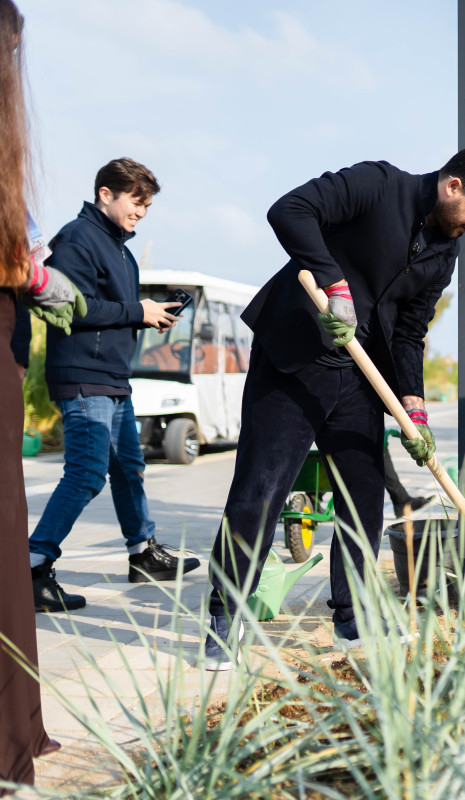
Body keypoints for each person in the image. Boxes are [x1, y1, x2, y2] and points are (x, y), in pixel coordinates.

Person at [203, 149, 465, 670]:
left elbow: (411, 330)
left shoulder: (445, 251)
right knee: (262, 490)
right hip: (294, 358)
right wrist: (333, 282)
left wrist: (412, 404)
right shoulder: (378, 185)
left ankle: (352, 616)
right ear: (453, 186)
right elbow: (289, 210)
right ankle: (225, 612)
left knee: (363, 500)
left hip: (361, 374)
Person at [28, 158, 201, 613]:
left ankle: (143, 554)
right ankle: (32, 565)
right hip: (83, 377)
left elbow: (115, 312)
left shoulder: (120, 249)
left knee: (129, 468)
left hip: (112, 378)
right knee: (86, 474)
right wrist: (136, 311)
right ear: (106, 193)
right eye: (136, 202)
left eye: (146, 205)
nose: (141, 212)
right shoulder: (77, 239)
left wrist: (149, 315)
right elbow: (74, 308)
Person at [0, 0, 88, 788]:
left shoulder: (112, 248)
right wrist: (35, 274)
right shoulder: (87, 238)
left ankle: (16, 725)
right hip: (77, 376)